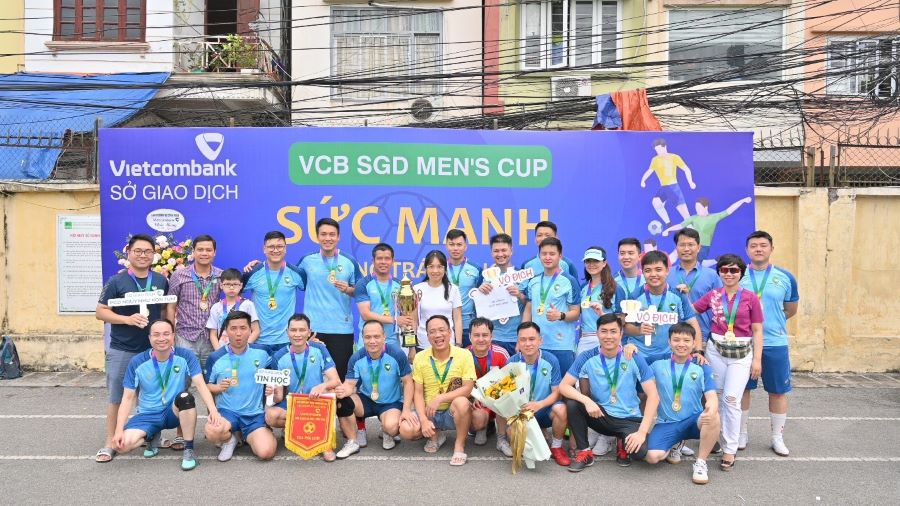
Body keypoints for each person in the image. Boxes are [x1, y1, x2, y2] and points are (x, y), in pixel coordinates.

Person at [95, 234, 170, 463]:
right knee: (117, 397)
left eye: (148, 251)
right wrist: (127, 320)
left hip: (152, 350)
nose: (143, 255)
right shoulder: (116, 281)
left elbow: (164, 311)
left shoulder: (161, 280)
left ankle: (151, 435)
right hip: (123, 348)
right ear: (129, 252)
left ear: (154, 254)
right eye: (138, 251)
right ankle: (110, 441)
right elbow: (100, 312)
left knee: (152, 396)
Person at [113, 319, 222, 471]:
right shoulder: (137, 362)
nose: (161, 338)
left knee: (186, 398)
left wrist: (213, 410)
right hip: (148, 414)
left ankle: (189, 449)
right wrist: (118, 430)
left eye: (166, 334)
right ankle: (151, 436)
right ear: (150, 338)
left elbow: (200, 385)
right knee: (122, 446)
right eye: (156, 334)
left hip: (172, 411)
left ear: (173, 336)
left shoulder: (185, 356)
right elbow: (127, 398)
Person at [693, 253, 764, 470]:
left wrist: (757, 360)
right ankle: (716, 437)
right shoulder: (713, 295)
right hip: (716, 352)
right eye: (724, 270)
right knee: (715, 398)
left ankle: (730, 448)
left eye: (734, 270)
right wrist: (681, 296)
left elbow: (757, 330)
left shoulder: (750, 298)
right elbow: (690, 311)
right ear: (719, 273)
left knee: (732, 400)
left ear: (741, 273)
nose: (729, 274)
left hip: (741, 355)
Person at [562, 313, 658, 472]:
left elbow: (653, 395)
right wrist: (587, 401)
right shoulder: (587, 356)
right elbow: (564, 386)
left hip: (628, 418)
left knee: (640, 453)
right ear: (597, 333)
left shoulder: (633, 356)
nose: (608, 336)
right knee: (573, 403)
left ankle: (622, 442)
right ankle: (585, 452)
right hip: (602, 415)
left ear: (621, 333)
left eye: (613, 331)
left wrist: (642, 432)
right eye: (604, 331)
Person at [738, 231, 799, 456]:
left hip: (775, 342)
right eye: (753, 245)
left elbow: (790, 309)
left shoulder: (785, 277)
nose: (758, 249)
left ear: (771, 248)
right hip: (744, 342)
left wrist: (771, 323)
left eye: (763, 245)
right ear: (747, 250)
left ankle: (777, 437)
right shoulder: (738, 275)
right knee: (743, 389)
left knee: (778, 391)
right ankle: (741, 433)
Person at [644, 323, 720, 485]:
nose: (681, 344)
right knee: (652, 457)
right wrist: (629, 348)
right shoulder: (656, 361)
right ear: (669, 342)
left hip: (693, 421)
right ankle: (675, 442)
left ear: (694, 343)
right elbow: (635, 363)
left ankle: (701, 462)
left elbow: (712, 397)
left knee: (713, 416)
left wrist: (711, 408)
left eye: (686, 340)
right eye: (676, 340)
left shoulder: (701, 366)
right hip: (667, 423)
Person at [266, 313, 345, 462]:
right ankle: (295, 430)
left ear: (309, 332)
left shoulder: (319, 349)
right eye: (293, 330)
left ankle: (323, 442)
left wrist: (322, 386)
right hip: (294, 403)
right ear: (287, 332)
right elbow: (279, 396)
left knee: (331, 394)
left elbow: (336, 381)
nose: (297, 334)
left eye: (302, 330)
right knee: (270, 415)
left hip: (316, 401)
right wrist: (273, 393)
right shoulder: (279, 357)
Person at [400, 315, 476, 466]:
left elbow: (468, 388)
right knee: (406, 430)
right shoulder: (420, 357)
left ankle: (459, 445)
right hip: (430, 412)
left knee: (462, 402)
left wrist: (440, 398)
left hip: (452, 412)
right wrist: (423, 420)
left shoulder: (464, 354)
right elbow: (418, 392)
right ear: (427, 336)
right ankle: (435, 435)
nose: (438, 335)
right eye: (432, 332)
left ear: (450, 332)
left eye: (442, 330)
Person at [204, 311, 277, 462]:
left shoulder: (263, 352)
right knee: (212, 432)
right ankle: (229, 439)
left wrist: (308, 343)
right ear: (226, 330)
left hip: (253, 414)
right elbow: (206, 387)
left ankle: (250, 434)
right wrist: (218, 387)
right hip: (227, 413)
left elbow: (280, 366)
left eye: (243, 328)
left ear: (250, 330)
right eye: (233, 328)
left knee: (266, 452)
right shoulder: (215, 357)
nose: (238, 333)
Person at [336, 320, 414, 457]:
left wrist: (406, 410)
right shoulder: (356, 357)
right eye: (368, 337)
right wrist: (341, 391)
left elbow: (408, 382)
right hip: (367, 400)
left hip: (390, 403)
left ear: (384, 336)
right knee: (343, 401)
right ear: (362, 338)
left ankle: (386, 430)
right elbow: (349, 384)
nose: (372, 341)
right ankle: (352, 441)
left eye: (376, 336)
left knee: (392, 427)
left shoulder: (396, 354)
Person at [296, 218, 362, 380]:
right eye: (323, 234)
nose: (328, 238)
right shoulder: (306, 261)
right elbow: (287, 276)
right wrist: (259, 265)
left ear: (338, 237)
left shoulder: (349, 262)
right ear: (317, 236)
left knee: (340, 380)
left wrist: (348, 289)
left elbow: (360, 292)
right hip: (313, 329)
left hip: (341, 330)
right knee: (312, 378)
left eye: (332, 234)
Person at [622, 251, 701, 365]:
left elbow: (693, 323)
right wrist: (639, 330)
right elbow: (625, 327)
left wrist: (698, 351)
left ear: (667, 271)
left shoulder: (678, 295)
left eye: (658, 270)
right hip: (639, 353)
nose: (653, 274)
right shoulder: (635, 296)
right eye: (648, 270)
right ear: (642, 272)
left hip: (668, 355)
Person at [507, 322, 569, 466]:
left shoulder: (551, 360)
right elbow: (508, 395)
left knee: (561, 409)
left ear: (540, 340)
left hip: (544, 409)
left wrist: (539, 404)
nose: (528, 343)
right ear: (518, 342)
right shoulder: (511, 362)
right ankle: (529, 436)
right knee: (517, 440)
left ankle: (556, 447)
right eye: (523, 339)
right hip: (522, 412)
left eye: (532, 339)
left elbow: (557, 393)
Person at [522, 237, 581, 375]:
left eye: (552, 254)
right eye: (544, 254)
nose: (547, 257)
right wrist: (522, 337)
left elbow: (576, 312)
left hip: (562, 345)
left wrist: (561, 315)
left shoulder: (569, 281)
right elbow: (528, 310)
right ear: (539, 255)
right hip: (536, 345)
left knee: (564, 385)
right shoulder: (533, 281)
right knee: (537, 384)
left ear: (560, 255)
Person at [242, 231, 304, 356]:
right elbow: (234, 295)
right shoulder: (252, 273)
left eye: (279, 246)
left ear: (285, 248)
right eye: (271, 247)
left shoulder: (296, 273)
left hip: (287, 341)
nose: (275, 250)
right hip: (258, 341)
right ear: (264, 249)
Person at [165, 234, 222, 369]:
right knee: (184, 377)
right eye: (200, 249)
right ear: (193, 251)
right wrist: (171, 335)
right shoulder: (179, 275)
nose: (204, 253)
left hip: (211, 338)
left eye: (208, 250)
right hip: (185, 338)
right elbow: (171, 307)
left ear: (214, 252)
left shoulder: (221, 276)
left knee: (211, 376)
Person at [665, 229, 722, 343]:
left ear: (699, 247)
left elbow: (720, 308)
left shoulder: (712, 276)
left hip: (703, 338)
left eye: (691, 245)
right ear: (676, 248)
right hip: (671, 340)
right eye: (682, 245)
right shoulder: (666, 274)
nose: (686, 249)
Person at [465, 318, 511, 455]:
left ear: (492, 336)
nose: (481, 339)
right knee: (478, 421)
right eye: (476, 335)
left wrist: (487, 396)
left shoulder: (501, 354)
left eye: (485, 335)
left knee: (506, 397)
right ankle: (484, 426)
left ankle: (501, 439)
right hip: (476, 400)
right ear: (470, 336)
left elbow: (509, 383)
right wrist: (474, 396)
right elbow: (459, 384)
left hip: (496, 398)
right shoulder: (464, 355)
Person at [662, 196, 753, 264]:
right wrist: (668, 230)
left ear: (705, 207)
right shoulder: (694, 218)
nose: (697, 210)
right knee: (684, 258)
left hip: (704, 247)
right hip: (692, 245)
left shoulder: (714, 217)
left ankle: (715, 261)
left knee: (697, 264)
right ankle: (715, 260)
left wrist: (743, 201)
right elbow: (680, 225)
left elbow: (729, 210)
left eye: (699, 208)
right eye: (696, 208)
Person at [476, 233, 525, 356]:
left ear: (511, 251)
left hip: (515, 338)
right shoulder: (485, 276)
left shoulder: (521, 275)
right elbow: (477, 306)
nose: (500, 254)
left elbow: (529, 304)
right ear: (491, 252)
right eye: (496, 251)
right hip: (493, 337)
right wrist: (480, 293)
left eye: (504, 250)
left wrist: (519, 295)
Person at [355, 243, 405, 349]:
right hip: (369, 342)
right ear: (373, 261)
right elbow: (365, 314)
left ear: (393, 261)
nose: (383, 262)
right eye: (379, 258)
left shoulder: (400, 285)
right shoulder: (363, 283)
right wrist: (395, 320)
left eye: (387, 258)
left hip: (392, 343)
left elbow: (405, 314)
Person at [639, 138, 697, 226]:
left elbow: (686, 169)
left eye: (660, 149)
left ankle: (695, 231)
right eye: (656, 150)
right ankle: (669, 223)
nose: (658, 152)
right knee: (656, 202)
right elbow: (649, 171)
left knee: (686, 216)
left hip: (673, 188)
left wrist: (691, 182)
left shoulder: (674, 157)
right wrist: (643, 180)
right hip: (664, 188)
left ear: (665, 147)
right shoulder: (655, 160)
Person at [413, 250, 463, 351]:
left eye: (439, 266)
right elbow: (413, 320)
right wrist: (412, 347)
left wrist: (458, 344)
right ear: (426, 268)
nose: (435, 271)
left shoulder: (453, 289)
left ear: (445, 268)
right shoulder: (417, 289)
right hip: (423, 344)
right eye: (431, 266)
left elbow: (457, 319)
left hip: (448, 343)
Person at [578, 246, 622, 354]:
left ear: (604, 263)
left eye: (596, 261)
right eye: (588, 261)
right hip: (585, 339)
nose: (591, 264)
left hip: (608, 338)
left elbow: (622, 321)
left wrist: (602, 315)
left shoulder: (616, 288)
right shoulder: (583, 288)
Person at [444, 229, 483, 348]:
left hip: (468, 326)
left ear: (465, 246)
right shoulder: (439, 269)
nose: (455, 248)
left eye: (459, 244)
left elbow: (481, 297)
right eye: (452, 244)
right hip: (445, 324)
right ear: (446, 246)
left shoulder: (476, 269)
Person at [207, 268, 259, 350]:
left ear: (241, 285)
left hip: (244, 351)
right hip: (223, 350)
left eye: (235, 284)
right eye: (227, 284)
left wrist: (245, 349)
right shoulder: (216, 307)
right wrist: (219, 352)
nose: (231, 287)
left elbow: (256, 330)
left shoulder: (248, 305)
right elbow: (213, 334)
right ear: (221, 285)